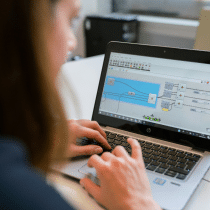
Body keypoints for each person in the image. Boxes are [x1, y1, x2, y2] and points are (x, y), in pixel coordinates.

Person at [0, 0, 161, 209]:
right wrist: (139, 203)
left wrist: (39, 138)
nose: (72, 42)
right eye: (71, 19)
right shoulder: (26, 197)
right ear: (25, 27)